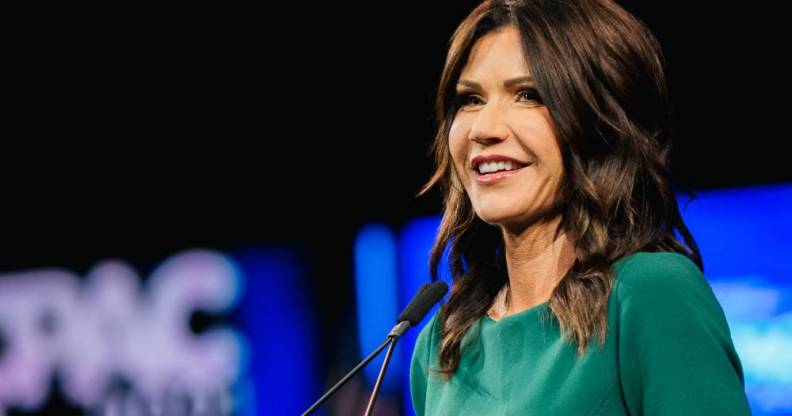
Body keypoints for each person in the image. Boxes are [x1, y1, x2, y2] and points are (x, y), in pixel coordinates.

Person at [409, 0, 751, 415]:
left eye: (529, 95)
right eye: (470, 99)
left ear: (600, 122)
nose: (483, 129)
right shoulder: (442, 343)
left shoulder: (650, 295)